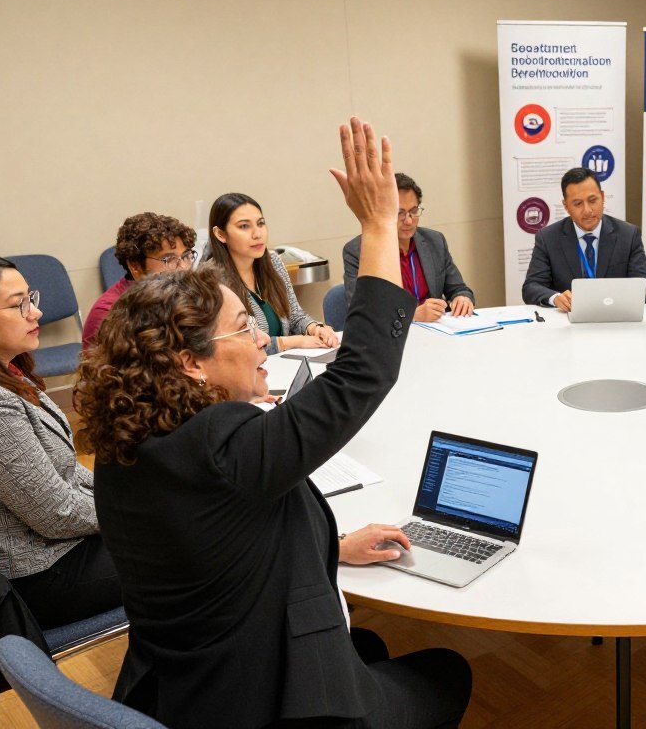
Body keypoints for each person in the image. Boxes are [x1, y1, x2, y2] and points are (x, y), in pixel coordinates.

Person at [74, 118, 471, 729]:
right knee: (448, 670)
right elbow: (362, 373)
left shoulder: (132, 439)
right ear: (190, 363)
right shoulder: (225, 448)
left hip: (183, 681)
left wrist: (334, 548)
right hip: (261, 697)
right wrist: (378, 224)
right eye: (244, 329)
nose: (262, 340)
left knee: (368, 645)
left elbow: (223, 543)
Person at [0, 252, 121, 628]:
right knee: (196, 546)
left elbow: (65, 473)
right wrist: (135, 511)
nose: (36, 312)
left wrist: (126, 499)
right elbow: (57, 515)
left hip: (57, 547)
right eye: (18, 304)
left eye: (30, 298)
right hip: (37, 574)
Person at [204, 192, 341, 354]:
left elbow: (295, 315)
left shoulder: (273, 262)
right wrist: (291, 342)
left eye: (260, 224)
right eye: (244, 226)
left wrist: (315, 328)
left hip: (282, 364)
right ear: (220, 234)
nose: (257, 234)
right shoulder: (211, 280)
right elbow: (233, 345)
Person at [342, 172, 475, 321]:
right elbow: (362, 312)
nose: (409, 221)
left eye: (414, 211)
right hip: (392, 332)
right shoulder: (359, 251)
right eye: (399, 213)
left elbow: (459, 288)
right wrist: (412, 315)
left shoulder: (434, 241)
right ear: (382, 213)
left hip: (438, 328)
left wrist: (462, 298)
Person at [521, 167, 646, 312]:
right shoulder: (548, 238)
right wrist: (556, 298)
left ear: (602, 197)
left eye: (592, 200)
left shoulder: (628, 235)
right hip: (568, 319)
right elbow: (531, 287)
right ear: (566, 206)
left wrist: (613, 299)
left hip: (614, 317)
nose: (587, 210)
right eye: (578, 204)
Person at [83, 212, 196, 347]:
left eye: (186, 256)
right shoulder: (109, 313)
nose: (183, 267)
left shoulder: (182, 292)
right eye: (169, 259)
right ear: (135, 266)